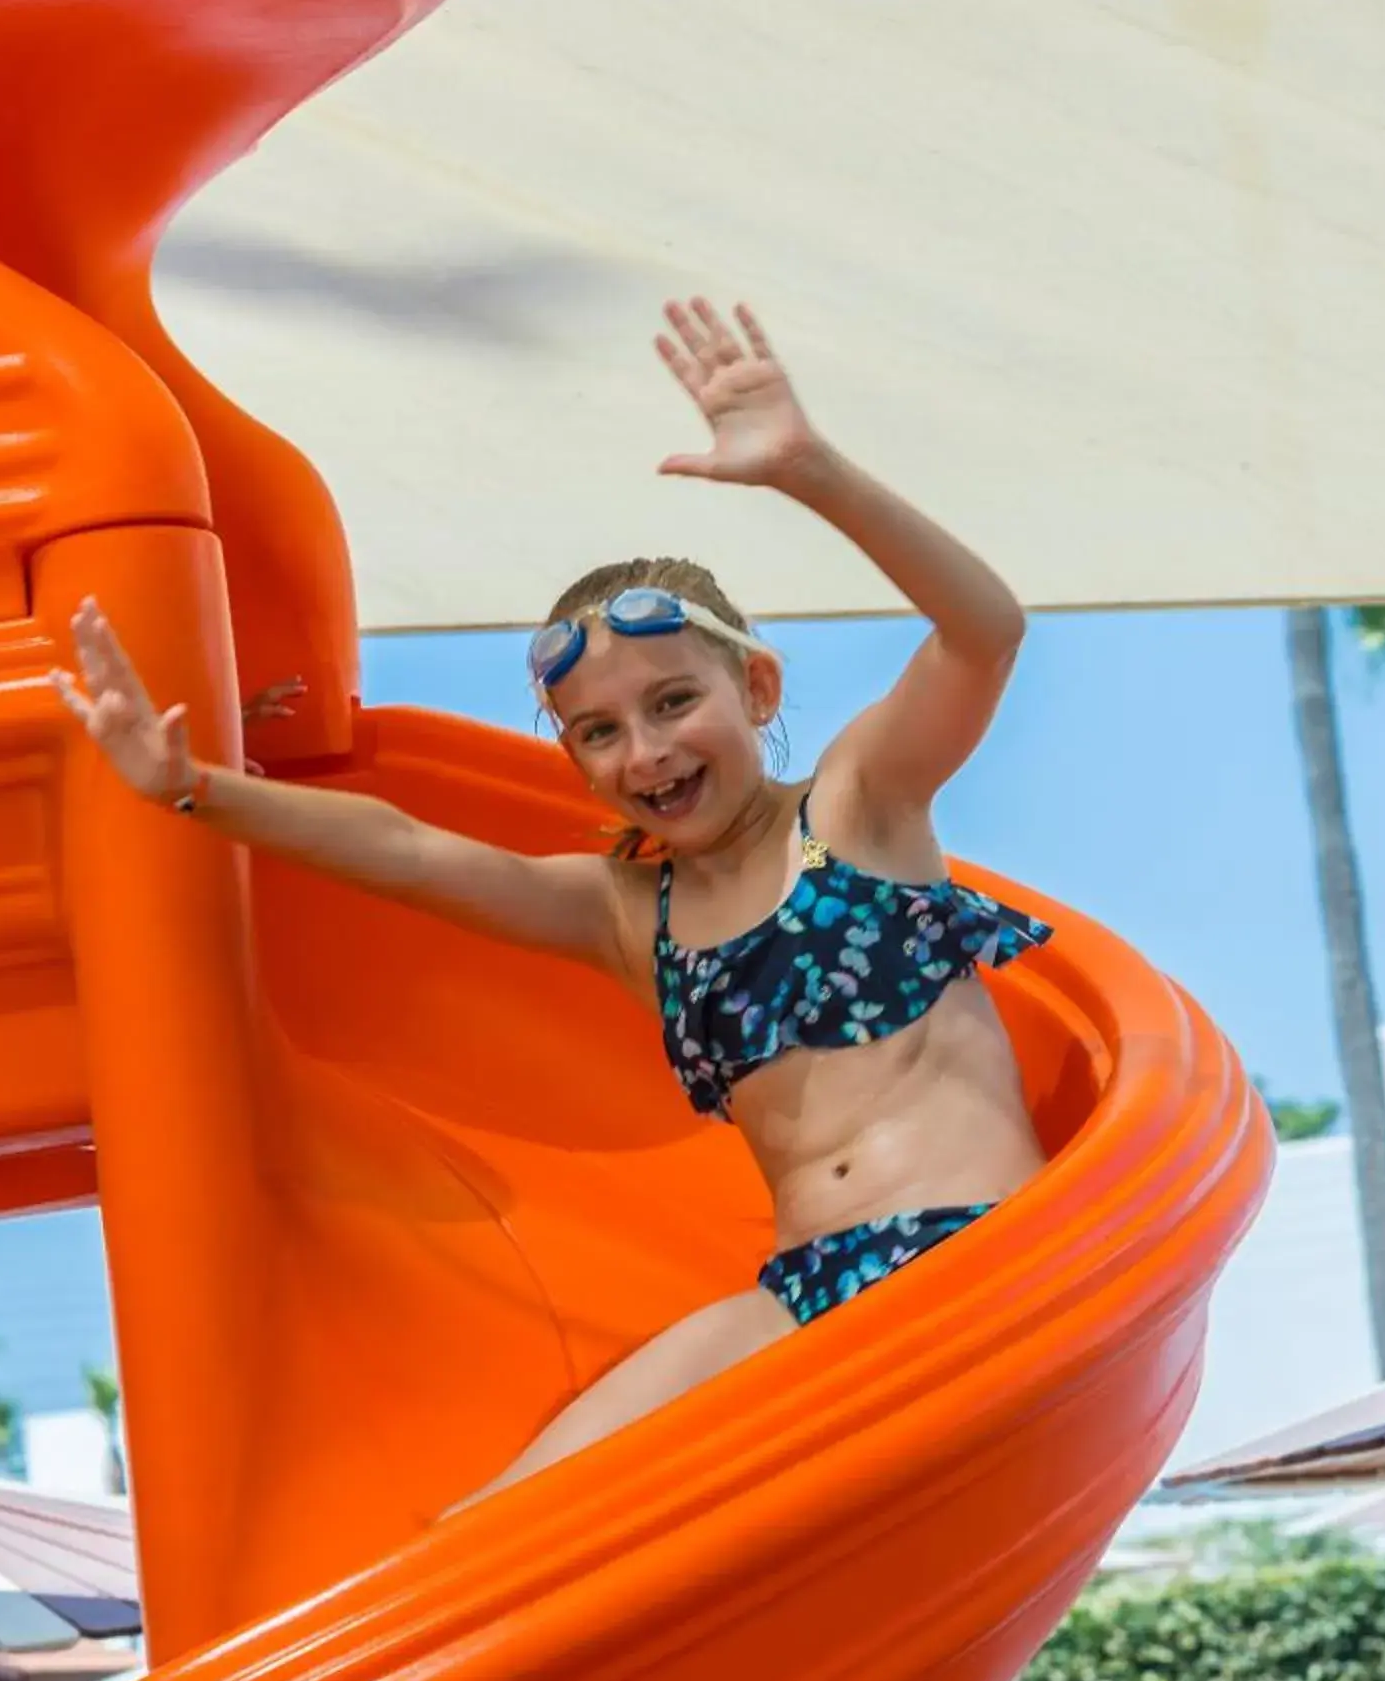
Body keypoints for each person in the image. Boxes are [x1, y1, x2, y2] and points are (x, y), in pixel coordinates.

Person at [56, 297, 1046, 1507]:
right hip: (810, 1287)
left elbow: (984, 633)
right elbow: (415, 854)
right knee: (501, 1520)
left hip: (976, 1253)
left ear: (758, 685)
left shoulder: (855, 809)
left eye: (675, 701)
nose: (646, 750)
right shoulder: (630, 912)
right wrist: (197, 790)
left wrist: (810, 470)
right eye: (598, 731)